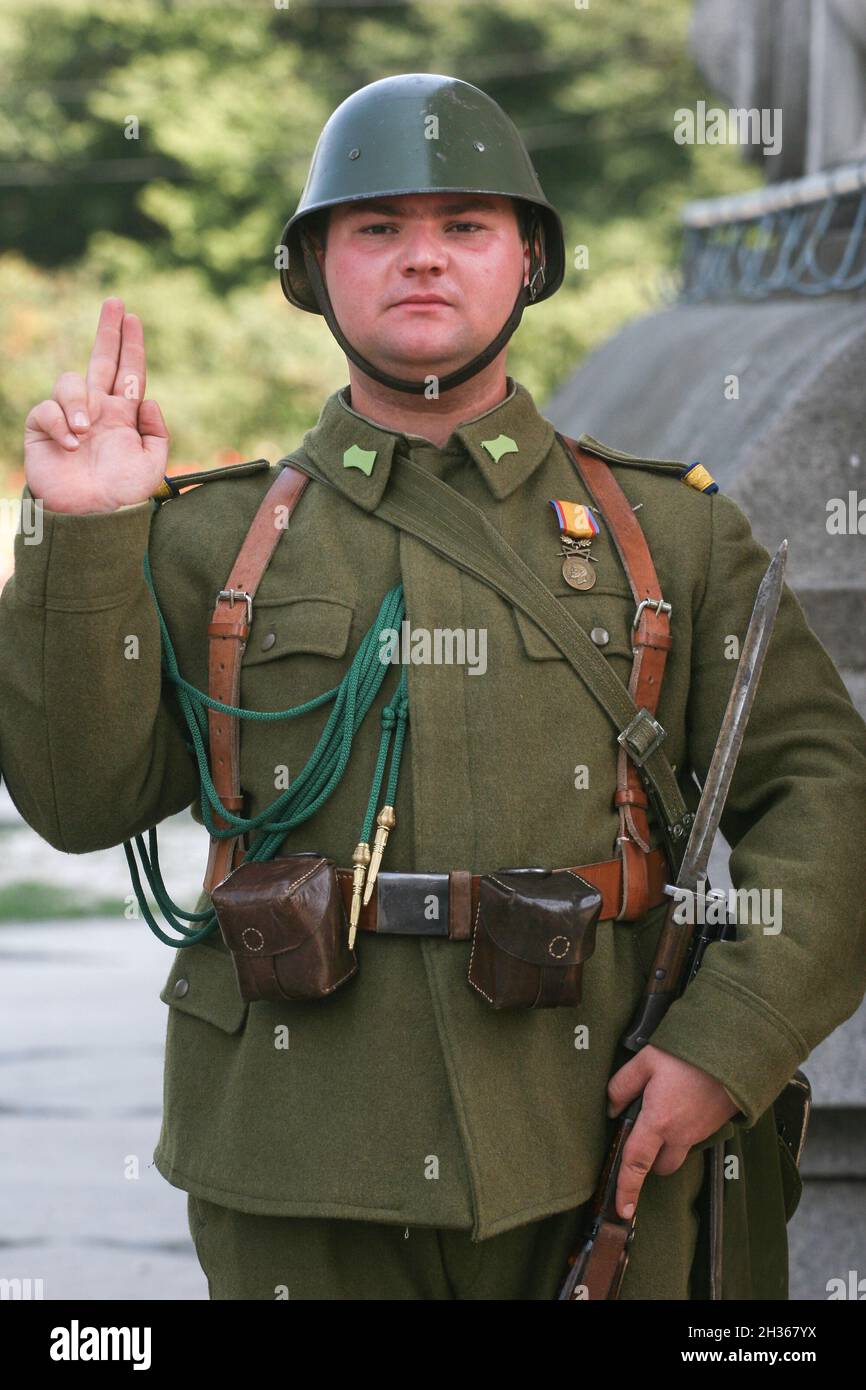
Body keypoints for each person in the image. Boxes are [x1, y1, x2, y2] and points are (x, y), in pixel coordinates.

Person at [3, 73, 865, 1301]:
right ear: (311, 270)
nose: (423, 260)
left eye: (464, 226)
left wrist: (728, 1041)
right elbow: (80, 802)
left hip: (599, 1132)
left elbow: (826, 791)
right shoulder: (206, 541)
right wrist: (80, 536)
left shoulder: (668, 536)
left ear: (528, 261)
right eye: (376, 229)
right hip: (294, 1152)